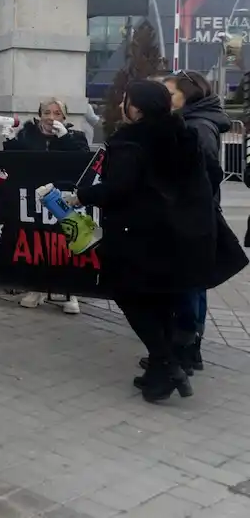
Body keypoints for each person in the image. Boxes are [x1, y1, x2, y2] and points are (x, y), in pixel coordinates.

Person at [71, 80, 221, 403]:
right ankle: (159, 369)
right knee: (161, 300)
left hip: (140, 236)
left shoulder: (131, 141)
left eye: (126, 101)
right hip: (180, 236)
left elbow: (119, 188)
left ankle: (165, 361)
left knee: (130, 296)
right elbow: (210, 174)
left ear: (135, 107)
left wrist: (80, 197)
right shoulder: (184, 134)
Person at [145, 70, 229, 372]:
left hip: (192, 218)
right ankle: (186, 348)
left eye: (171, 94)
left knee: (190, 285)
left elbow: (207, 174)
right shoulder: (190, 123)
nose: (166, 100)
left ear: (188, 95)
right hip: (191, 215)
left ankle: (186, 350)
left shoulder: (198, 127)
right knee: (191, 284)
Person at [2, 98, 90, 313]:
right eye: (46, 112)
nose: (51, 118)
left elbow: (84, 161)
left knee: (67, 242)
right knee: (36, 242)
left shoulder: (76, 136)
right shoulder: (29, 134)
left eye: (57, 113)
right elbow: (17, 161)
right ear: (39, 115)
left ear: (64, 117)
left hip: (65, 199)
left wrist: (65, 139)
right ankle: (37, 288)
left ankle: (71, 292)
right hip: (35, 197)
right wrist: (9, 141)